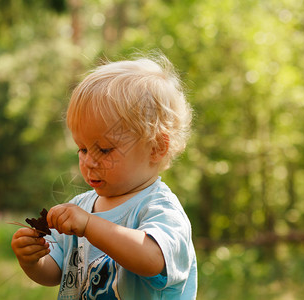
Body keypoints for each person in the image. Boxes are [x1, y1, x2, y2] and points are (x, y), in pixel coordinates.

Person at [11, 53, 197, 299]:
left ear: (156, 148)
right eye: (83, 149)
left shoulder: (160, 209)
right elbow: (55, 272)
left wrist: (89, 226)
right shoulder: (80, 207)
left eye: (105, 149)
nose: (88, 161)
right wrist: (33, 260)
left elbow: (152, 259)